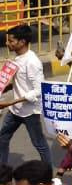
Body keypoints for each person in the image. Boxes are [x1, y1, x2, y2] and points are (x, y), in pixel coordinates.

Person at [0, 24, 51, 165]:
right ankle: (3, 170)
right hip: (15, 110)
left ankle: (47, 172)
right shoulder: (17, 59)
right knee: (3, 138)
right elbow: (21, 83)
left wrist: (10, 103)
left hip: (30, 112)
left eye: (11, 41)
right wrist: (6, 88)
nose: (7, 43)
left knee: (39, 144)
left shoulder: (32, 62)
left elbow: (38, 90)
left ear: (22, 42)